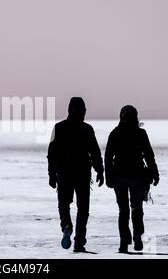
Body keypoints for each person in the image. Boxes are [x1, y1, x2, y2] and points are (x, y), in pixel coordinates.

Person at [47, 97, 104, 252]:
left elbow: (51, 153)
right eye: (84, 110)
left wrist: (51, 174)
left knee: (64, 203)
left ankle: (66, 224)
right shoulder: (87, 129)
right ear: (81, 111)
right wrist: (100, 170)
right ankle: (79, 242)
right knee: (83, 209)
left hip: (64, 173)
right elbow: (95, 152)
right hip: (82, 173)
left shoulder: (58, 128)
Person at [104, 105, 160, 253]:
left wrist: (108, 177)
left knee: (123, 210)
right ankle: (137, 240)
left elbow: (108, 158)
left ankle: (124, 243)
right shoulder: (140, 133)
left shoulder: (115, 133)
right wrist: (154, 173)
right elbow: (149, 155)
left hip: (119, 177)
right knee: (137, 209)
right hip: (136, 176)